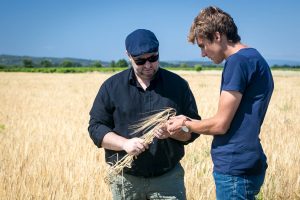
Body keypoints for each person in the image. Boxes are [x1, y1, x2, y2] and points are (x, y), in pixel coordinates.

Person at [167, 6, 274, 200]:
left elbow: (220, 125)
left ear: (217, 36)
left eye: (202, 45)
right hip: (250, 161)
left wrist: (185, 124)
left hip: (235, 168)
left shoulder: (237, 62)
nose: (202, 54)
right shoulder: (255, 58)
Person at [88, 29, 200, 200]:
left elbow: (193, 130)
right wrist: (124, 144)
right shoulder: (111, 87)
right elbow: (96, 128)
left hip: (168, 180)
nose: (148, 65)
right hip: (126, 179)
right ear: (128, 55)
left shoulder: (178, 86)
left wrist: (175, 133)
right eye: (140, 60)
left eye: (153, 58)